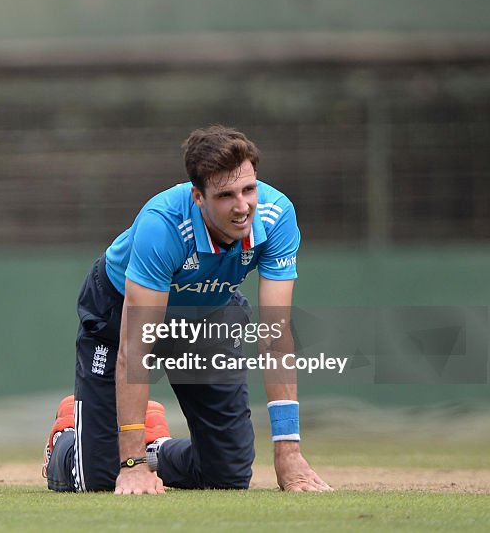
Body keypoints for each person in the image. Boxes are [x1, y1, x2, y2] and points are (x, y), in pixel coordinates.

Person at [44, 125, 330, 493]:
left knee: (226, 475)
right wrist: (130, 464)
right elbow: (135, 349)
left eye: (248, 189)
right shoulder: (162, 226)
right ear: (198, 196)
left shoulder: (276, 215)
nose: (242, 207)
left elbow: (276, 337)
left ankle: (154, 448)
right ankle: (68, 438)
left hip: (207, 312)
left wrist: (288, 451)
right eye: (226, 195)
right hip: (119, 311)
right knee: (101, 478)